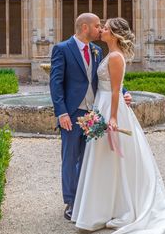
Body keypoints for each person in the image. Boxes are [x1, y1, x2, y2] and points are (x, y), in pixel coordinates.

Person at [71, 17, 165, 234]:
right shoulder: (107, 53)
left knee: (114, 159)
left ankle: (119, 210)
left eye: (105, 28)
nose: (102, 30)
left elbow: (116, 90)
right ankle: (108, 208)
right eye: (102, 26)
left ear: (115, 34)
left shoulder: (115, 57)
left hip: (111, 108)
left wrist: (114, 117)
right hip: (103, 105)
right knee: (107, 160)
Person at [49, 13, 131, 221]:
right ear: (85, 28)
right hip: (72, 113)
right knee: (70, 158)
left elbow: (108, 79)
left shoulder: (96, 50)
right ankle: (70, 202)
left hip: (95, 113)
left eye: (102, 26)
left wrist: (123, 93)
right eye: (97, 26)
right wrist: (62, 113)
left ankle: (86, 201)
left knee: (89, 159)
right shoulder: (62, 49)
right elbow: (55, 83)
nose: (100, 29)